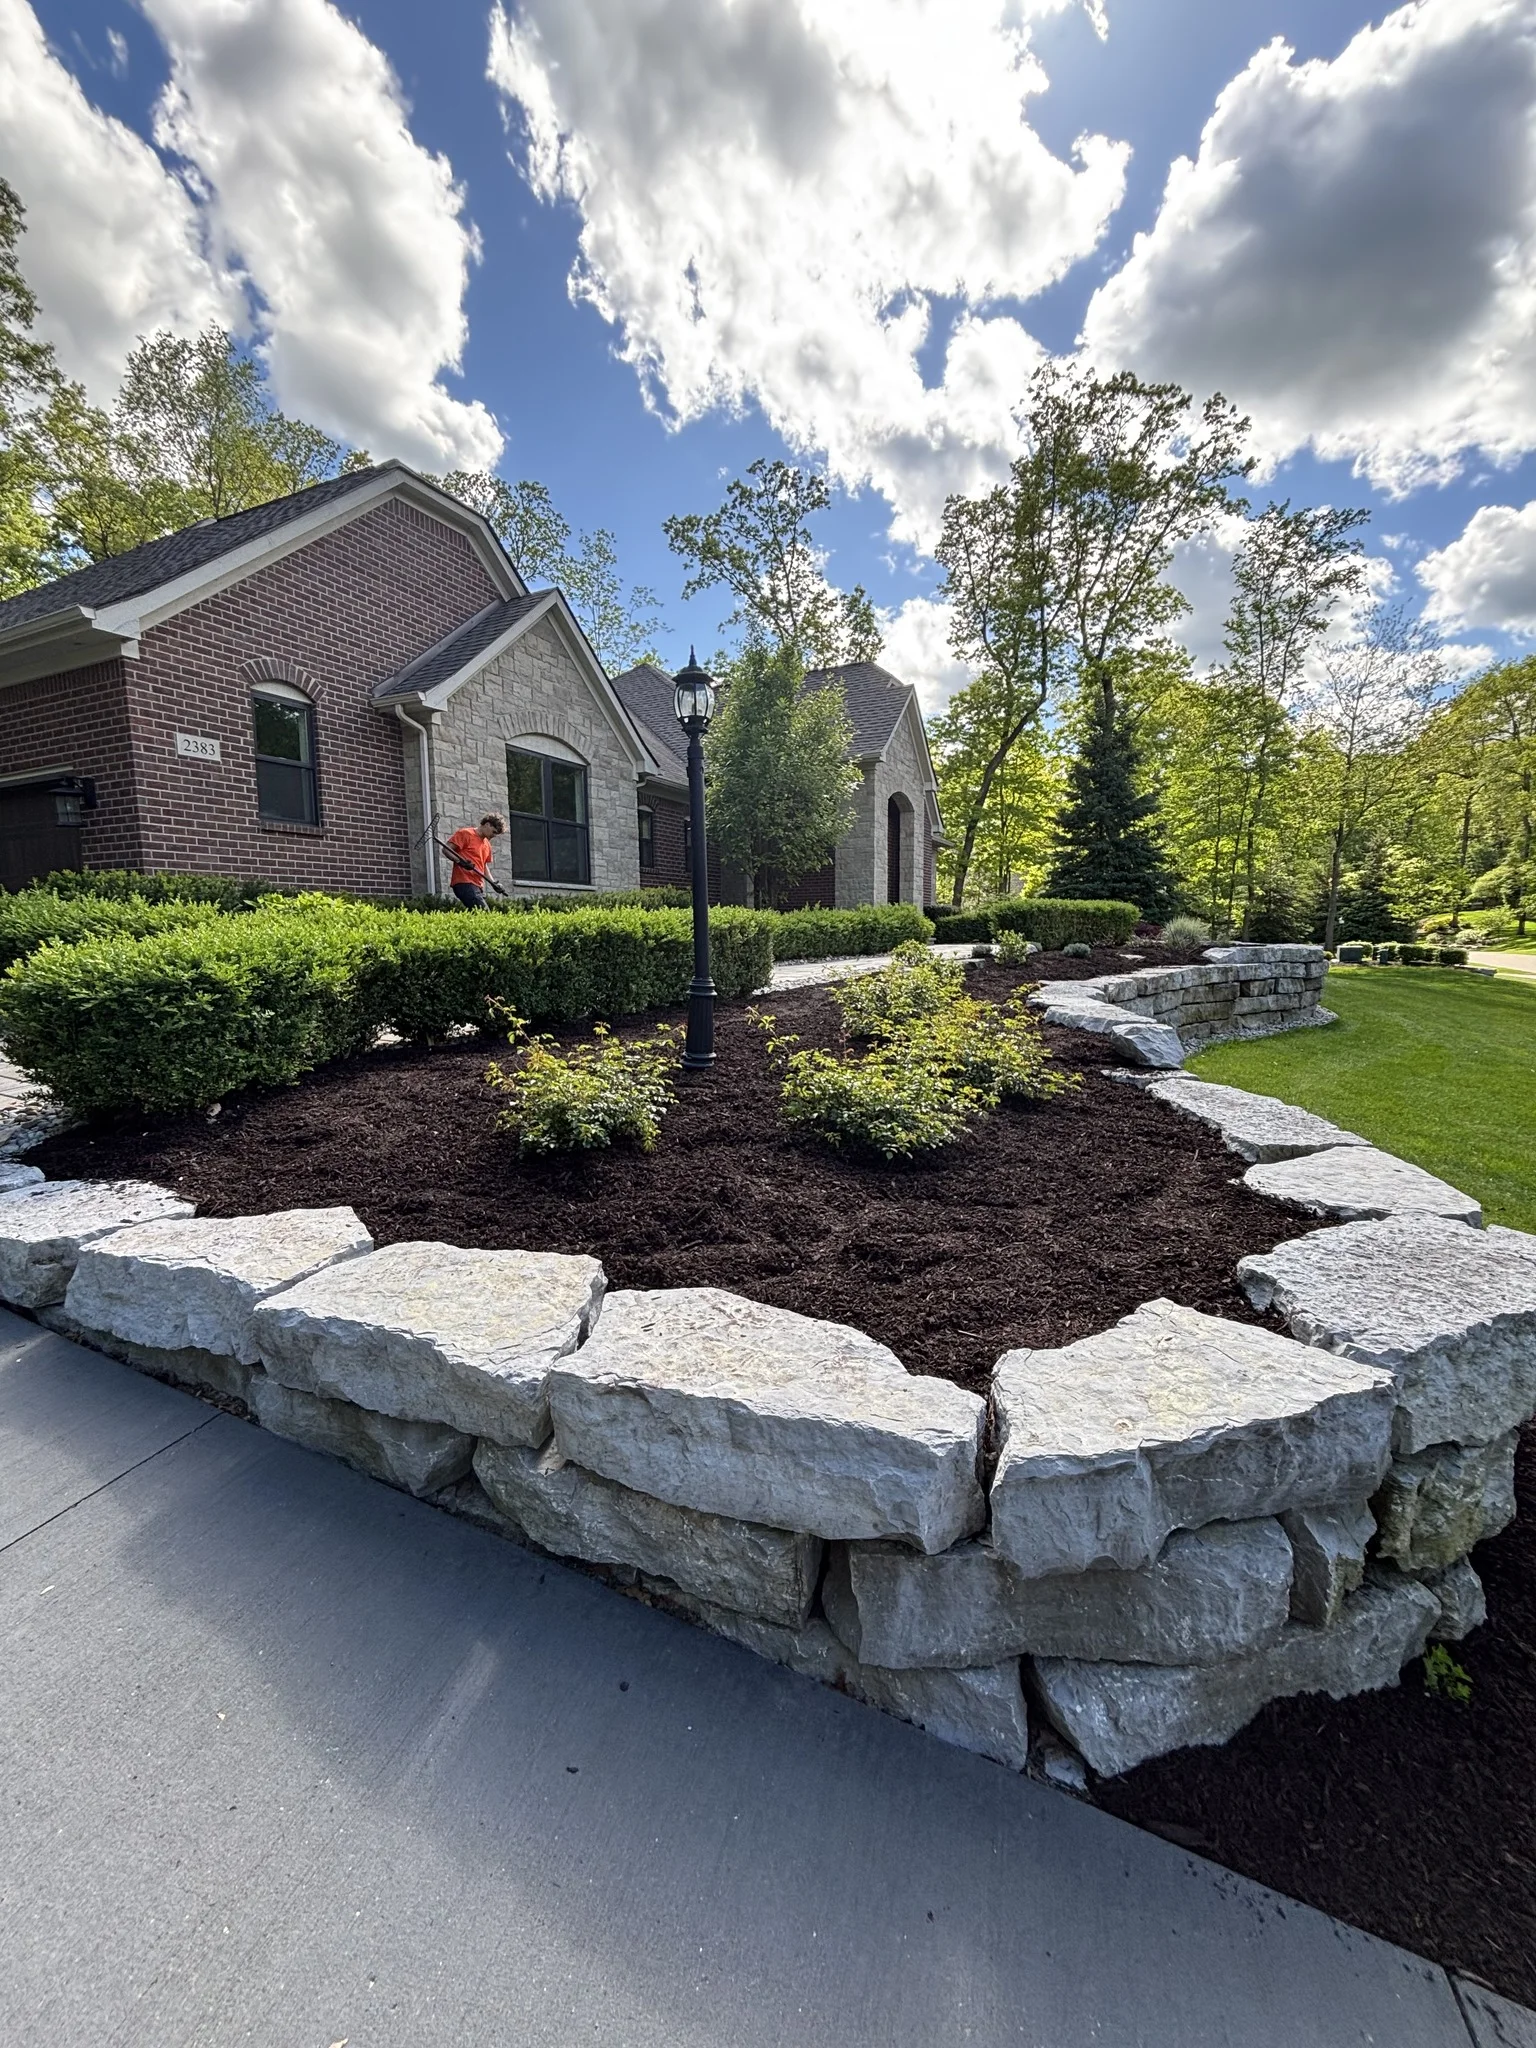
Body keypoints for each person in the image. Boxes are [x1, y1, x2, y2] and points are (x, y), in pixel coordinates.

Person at [444, 814, 505, 909]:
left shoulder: (487, 844)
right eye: (494, 832)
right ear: (487, 824)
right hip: (464, 882)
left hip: (478, 885)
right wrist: (459, 861)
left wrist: (493, 883)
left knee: (478, 916)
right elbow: (446, 849)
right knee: (483, 913)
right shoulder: (465, 834)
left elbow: (483, 866)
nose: (493, 836)